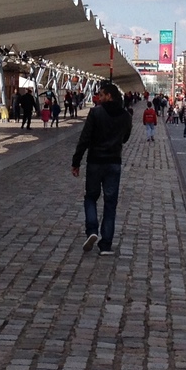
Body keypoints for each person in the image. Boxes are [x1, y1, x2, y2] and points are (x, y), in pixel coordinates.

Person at [72, 81, 133, 255]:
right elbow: (126, 138)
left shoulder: (96, 113)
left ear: (109, 96)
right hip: (114, 163)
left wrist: (76, 162)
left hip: (95, 162)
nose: (98, 97)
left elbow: (84, 139)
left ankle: (92, 230)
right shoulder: (126, 115)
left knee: (90, 197)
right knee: (110, 203)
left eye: (101, 94)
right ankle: (106, 244)